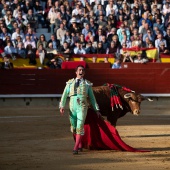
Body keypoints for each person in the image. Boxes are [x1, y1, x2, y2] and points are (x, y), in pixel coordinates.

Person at [59, 65, 101, 155]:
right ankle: (80, 143)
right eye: (80, 70)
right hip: (72, 107)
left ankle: (75, 147)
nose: (81, 71)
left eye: (83, 70)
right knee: (74, 127)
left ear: (84, 73)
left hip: (82, 107)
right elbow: (64, 95)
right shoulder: (69, 83)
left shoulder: (87, 84)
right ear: (76, 72)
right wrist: (62, 106)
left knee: (80, 126)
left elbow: (92, 98)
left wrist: (96, 109)